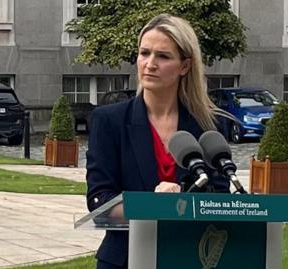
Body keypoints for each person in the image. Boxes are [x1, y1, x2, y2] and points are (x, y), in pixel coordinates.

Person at [86, 14, 231, 269]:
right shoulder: (109, 121)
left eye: (163, 56)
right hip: (125, 259)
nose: (149, 64)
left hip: (190, 257)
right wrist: (151, 205)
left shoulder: (208, 126)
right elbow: (100, 201)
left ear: (185, 66)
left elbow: (218, 197)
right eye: (144, 53)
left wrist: (181, 205)